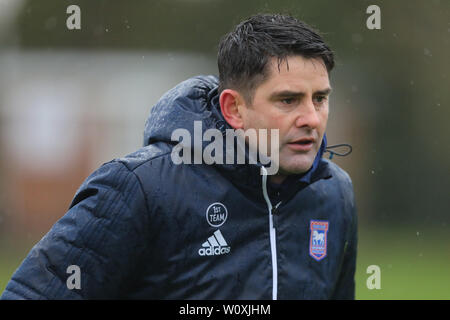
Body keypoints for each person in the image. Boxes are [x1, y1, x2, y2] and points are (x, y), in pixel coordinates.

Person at [1, 13, 357, 300]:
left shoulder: (333, 194)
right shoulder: (141, 186)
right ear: (233, 108)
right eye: (288, 100)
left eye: (320, 99)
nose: (312, 118)